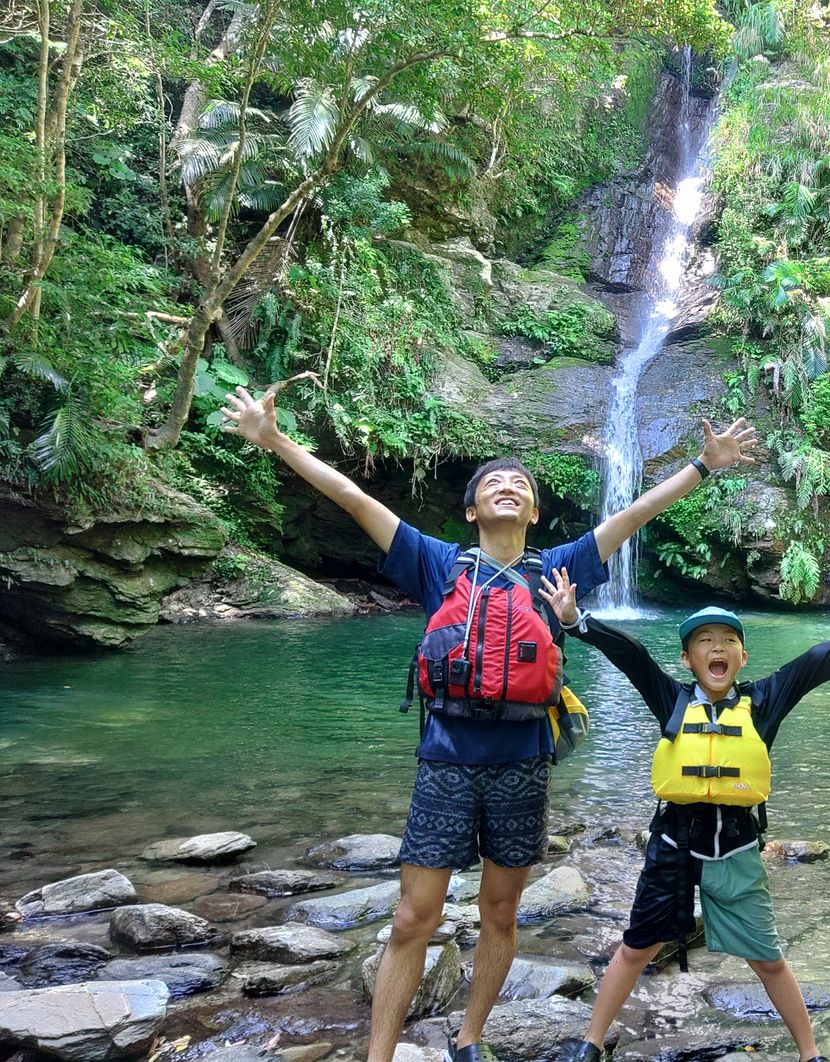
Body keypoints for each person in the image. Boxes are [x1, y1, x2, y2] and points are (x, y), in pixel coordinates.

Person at [219, 385, 757, 1062]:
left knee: (501, 912)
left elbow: (637, 513)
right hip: (446, 756)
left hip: (524, 760)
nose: (509, 488)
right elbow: (355, 500)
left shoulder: (558, 568)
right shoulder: (437, 562)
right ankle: (377, 1056)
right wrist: (274, 440)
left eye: (521, 485)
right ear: (472, 508)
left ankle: (469, 1040)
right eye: (493, 483)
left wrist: (703, 467)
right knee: (415, 916)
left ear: (534, 510)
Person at [536, 575, 830, 1062]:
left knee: (767, 957)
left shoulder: (764, 702)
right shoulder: (672, 699)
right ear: (687, 660)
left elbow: (817, 662)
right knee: (636, 948)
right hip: (672, 844)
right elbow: (633, 658)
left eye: (729, 641)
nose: (718, 647)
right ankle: (590, 1044)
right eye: (704, 641)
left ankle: (810, 1053)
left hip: (736, 849)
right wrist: (576, 623)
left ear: (743, 658)